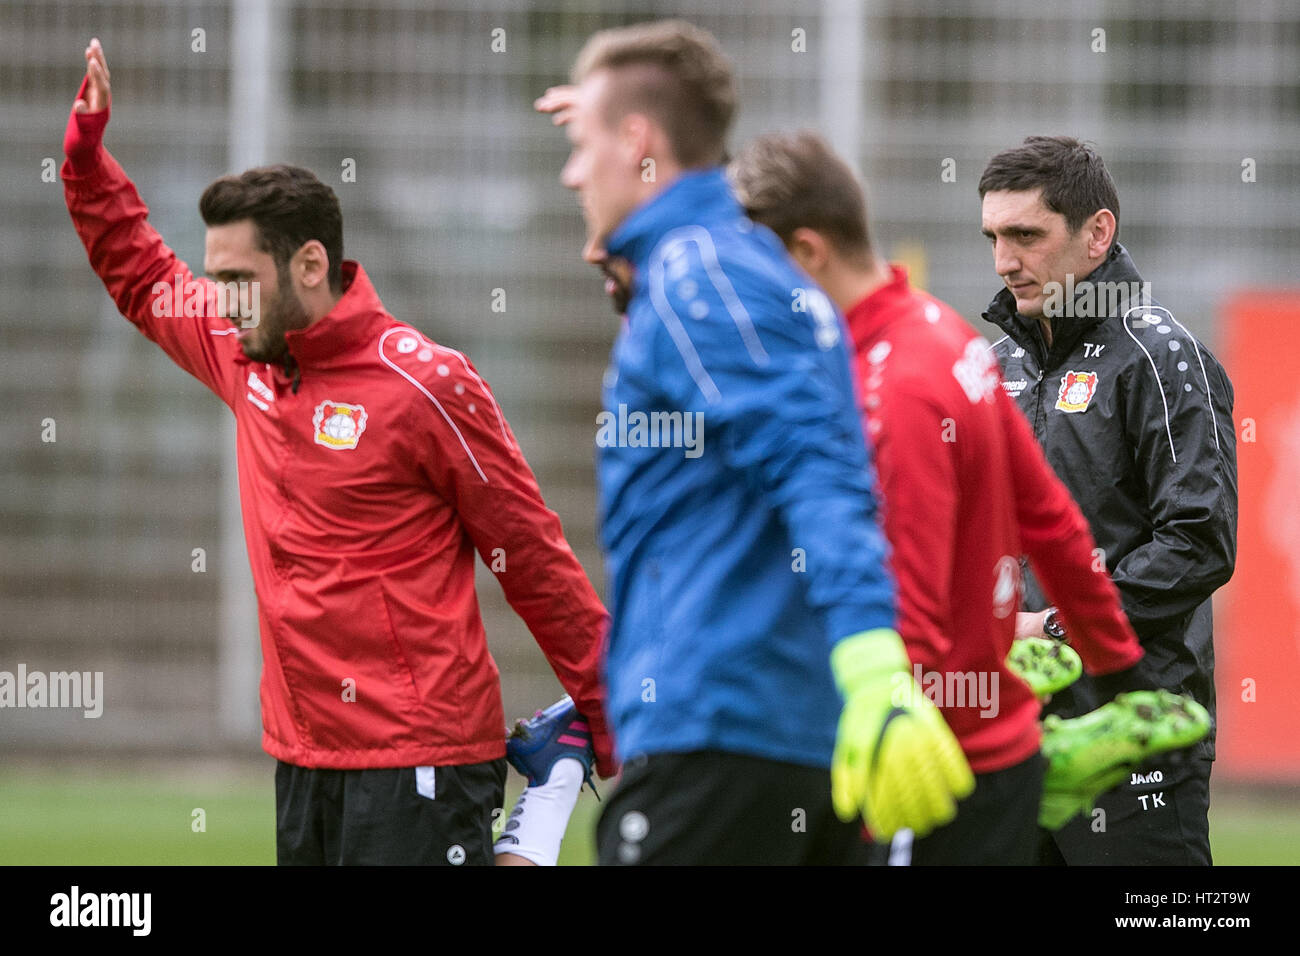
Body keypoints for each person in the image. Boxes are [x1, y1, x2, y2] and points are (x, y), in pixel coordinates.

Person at [61, 38, 614, 866]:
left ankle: (551, 794)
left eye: (238, 278)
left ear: (310, 265)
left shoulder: (425, 383)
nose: (220, 300)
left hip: (418, 752)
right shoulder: (240, 344)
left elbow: (531, 554)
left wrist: (615, 721)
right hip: (303, 756)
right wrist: (85, 157)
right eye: (216, 279)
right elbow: (142, 277)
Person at [542, 20, 973, 866]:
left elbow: (814, 467)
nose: (570, 171)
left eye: (586, 142)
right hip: (758, 726)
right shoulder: (724, 264)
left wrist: (872, 661)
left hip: (722, 734)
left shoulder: (702, 273)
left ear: (638, 139)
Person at [727, 131, 1151, 864]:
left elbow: (908, 599)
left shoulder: (892, 386)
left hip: (928, 771)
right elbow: (1049, 517)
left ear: (805, 254)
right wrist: (1121, 675)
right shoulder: (944, 334)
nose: (742, 298)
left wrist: (888, 739)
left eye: (751, 272)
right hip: (992, 757)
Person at [979, 136, 1237, 865]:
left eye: (1026, 235)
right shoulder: (992, 367)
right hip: (1013, 734)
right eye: (994, 237)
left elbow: (1198, 543)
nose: (1004, 260)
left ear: (1097, 234)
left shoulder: (1161, 356)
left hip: (1134, 735)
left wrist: (1057, 631)